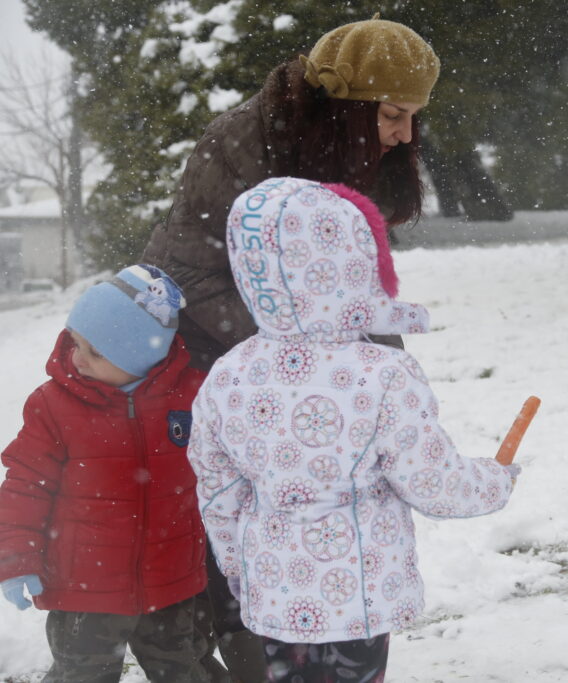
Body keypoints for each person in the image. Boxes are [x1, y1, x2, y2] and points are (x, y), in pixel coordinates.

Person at [141, 16, 441, 679]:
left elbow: (340, 284)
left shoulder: (346, 150)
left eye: (415, 117)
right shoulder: (241, 146)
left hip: (296, 367)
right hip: (215, 363)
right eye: (393, 114)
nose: (404, 135)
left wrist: (381, 368)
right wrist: (295, 361)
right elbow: (190, 272)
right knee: (248, 531)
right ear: (347, 104)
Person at [188, 176, 519, 682]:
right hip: (359, 596)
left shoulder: (230, 374)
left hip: (278, 589)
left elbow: (217, 486)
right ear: (352, 264)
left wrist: (238, 563)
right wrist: (493, 481)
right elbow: (431, 481)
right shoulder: (382, 373)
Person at [0, 265, 209, 682]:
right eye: (76, 344)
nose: (78, 359)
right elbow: (25, 484)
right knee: (82, 673)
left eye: (96, 352)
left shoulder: (194, 397)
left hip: (171, 579)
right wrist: (16, 556)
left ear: (142, 355)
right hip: (84, 588)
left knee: (184, 668)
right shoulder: (53, 405)